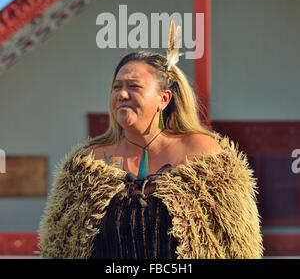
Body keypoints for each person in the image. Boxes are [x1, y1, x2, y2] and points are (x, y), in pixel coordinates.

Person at [38, 26, 264, 259]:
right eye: (117, 87)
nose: (122, 94)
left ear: (164, 99)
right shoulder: (86, 164)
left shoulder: (204, 154)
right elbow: (59, 248)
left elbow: (237, 247)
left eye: (134, 87)